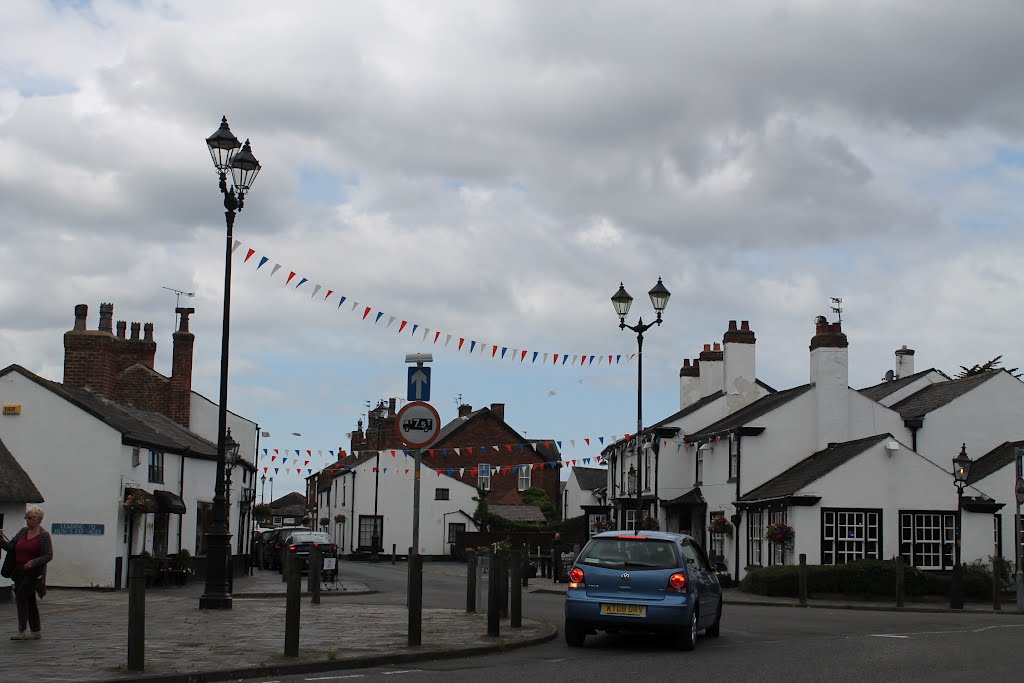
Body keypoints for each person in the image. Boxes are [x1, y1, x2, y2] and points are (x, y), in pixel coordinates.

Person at [0, 506, 54, 640]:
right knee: (29, 599)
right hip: (18, 571)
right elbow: (11, 547)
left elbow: (48, 555)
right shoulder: (23, 532)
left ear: (39, 520)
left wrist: (33, 562)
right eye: (26, 518)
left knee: (21, 596)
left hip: (33, 572)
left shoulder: (44, 535)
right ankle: (36, 631)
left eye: (30, 518)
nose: (27, 521)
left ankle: (21, 630)